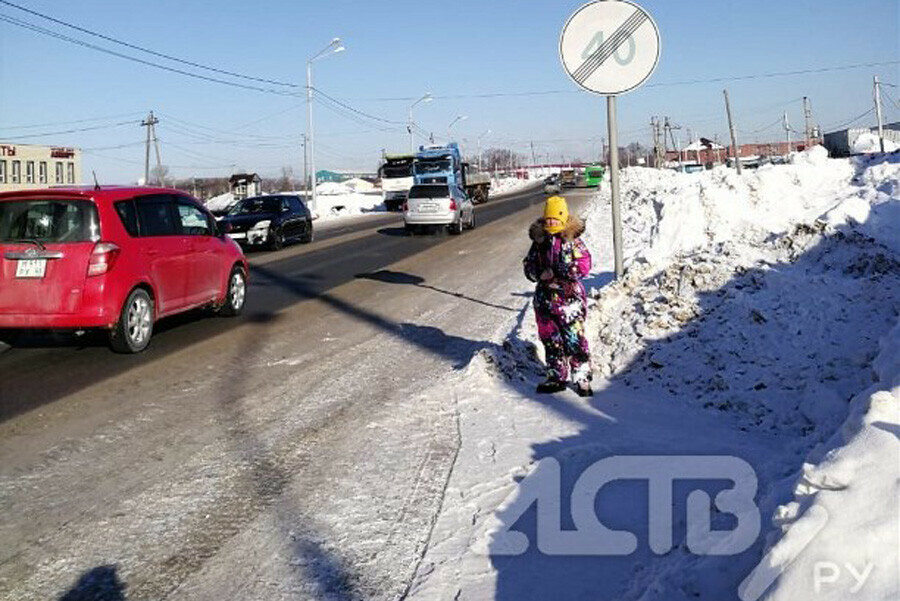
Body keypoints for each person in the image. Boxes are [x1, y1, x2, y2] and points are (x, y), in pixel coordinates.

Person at [523, 195, 593, 397]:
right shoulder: (539, 242)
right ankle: (556, 376)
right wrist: (538, 273)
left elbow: (585, 265)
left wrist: (562, 270)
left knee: (574, 339)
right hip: (545, 301)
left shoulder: (573, 241)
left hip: (569, 299)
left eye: (555, 218)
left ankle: (581, 377)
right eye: (548, 218)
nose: (551, 222)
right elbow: (528, 266)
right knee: (551, 340)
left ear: (563, 218)